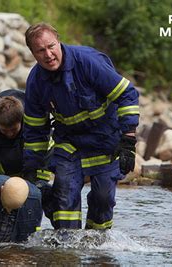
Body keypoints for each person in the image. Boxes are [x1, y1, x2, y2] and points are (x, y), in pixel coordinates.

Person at [22, 23, 140, 230]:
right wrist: (34, 169)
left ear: (59, 42)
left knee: (103, 199)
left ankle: (98, 247)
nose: (48, 54)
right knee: (64, 198)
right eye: (41, 50)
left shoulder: (87, 62)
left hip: (105, 140)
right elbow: (35, 129)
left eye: (51, 46)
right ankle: (67, 250)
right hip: (69, 144)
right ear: (32, 53)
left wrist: (128, 141)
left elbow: (127, 94)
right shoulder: (35, 82)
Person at [0, 88, 53, 182]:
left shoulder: (33, 116)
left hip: (28, 155)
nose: (9, 134)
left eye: (13, 130)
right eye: (4, 130)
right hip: (0, 163)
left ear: (21, 121)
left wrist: (39, 183)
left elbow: (43, 153)